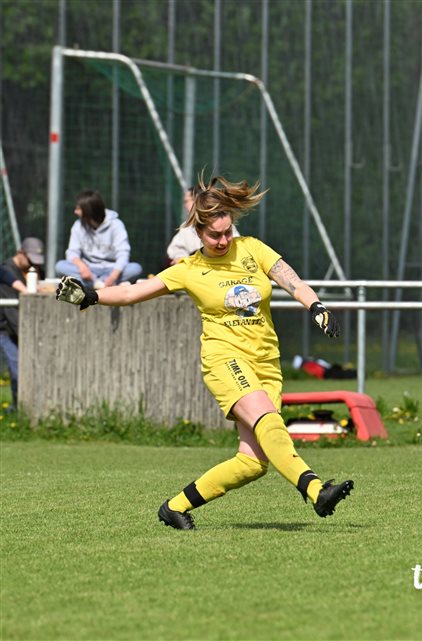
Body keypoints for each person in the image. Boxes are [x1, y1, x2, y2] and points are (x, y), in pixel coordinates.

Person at [55, 175, 352, 530]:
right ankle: (317, 491)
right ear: (198, 232)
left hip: (266, 362)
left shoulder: (253, 249)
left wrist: (316, 307)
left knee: (253, 462)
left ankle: (174, 507)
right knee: (268, 420)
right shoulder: (188, 269)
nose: (224, 240)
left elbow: (293, 281)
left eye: (227, 232)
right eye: (215, 235)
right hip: (225, 359)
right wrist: (92, 295)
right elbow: (133, 293)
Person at [55, 189, 142, 288]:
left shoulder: (116, 225)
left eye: (78, 209)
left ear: (88, 211)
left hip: (111, 270)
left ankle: (95, 284)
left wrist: (113, 277)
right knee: (60, 266)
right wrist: (82, 267)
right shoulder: (78, 225)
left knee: (135, 268)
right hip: (88, 271)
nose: (75, 212)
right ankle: (105, 285)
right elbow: (72, 252)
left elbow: (123, 254)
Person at [0, 237, 46, 407]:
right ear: (20, 253)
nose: (33, 265)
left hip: (24, 329)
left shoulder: (31, 271)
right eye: (30, 261)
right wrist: (30, 336)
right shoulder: (8, 269)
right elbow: (11, 314)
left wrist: (28, 289)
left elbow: (6, 276)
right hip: (8, 330)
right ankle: (18, 408)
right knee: (17, 371)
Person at [166, 185, 239, 264]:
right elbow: (176, 250)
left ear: (199, 201)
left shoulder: (224, 224)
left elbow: (235, 247)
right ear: (198, 231)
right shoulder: (187, 227)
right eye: (215, 235)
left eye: (187, 201)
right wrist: (184, 259)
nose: (223, 242)